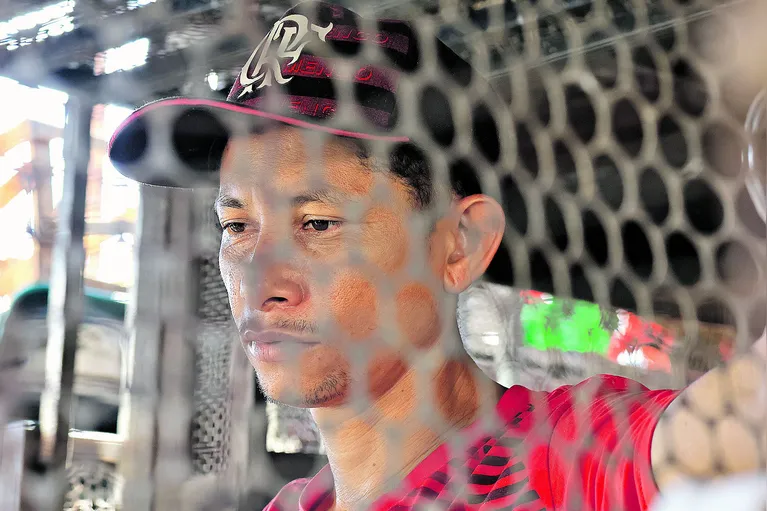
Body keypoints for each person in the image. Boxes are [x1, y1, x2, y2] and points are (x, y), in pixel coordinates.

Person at [107, 2, 767, 510]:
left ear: (460, 244)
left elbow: (720, 437)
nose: (259, 282)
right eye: (237, 225)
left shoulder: (563, 457)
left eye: (316, 222)